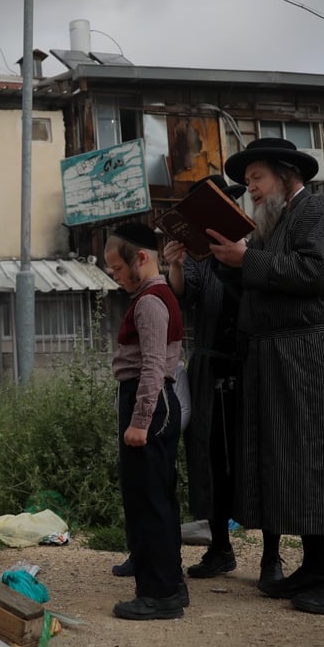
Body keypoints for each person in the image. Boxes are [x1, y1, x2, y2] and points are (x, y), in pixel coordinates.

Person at [208, 137, 324, 615]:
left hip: (315, 356)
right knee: (294, 465)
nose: (250, 188)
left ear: (286, 174)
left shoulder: (319, 211)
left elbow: (311, 272)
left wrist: (246, 259)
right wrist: (228, 260)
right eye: (249, 181)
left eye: (256, 178)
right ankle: (315, 565)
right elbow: (262, 280)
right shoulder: (271, 225)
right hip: (279, 357)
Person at [163, 175, 283, 591]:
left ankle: (272, 556)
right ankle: (220, 549)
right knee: (209, 458)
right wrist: (176, 263)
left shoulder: (259, 246)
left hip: (251, 365)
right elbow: (185, 295)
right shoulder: (199, 255)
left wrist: (242, 258)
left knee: (259, 456)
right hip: (209, 366)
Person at [104, 221, 189, 620]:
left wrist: (140, 420)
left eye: (118, 269)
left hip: (149, 403)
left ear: (141, 258)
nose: (116, 277)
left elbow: (154, 367)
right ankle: (168, 582)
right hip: (150, 402)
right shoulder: (155, 295)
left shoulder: (152, 300)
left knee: (152, 499)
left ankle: (160, 595)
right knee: (152, 497)